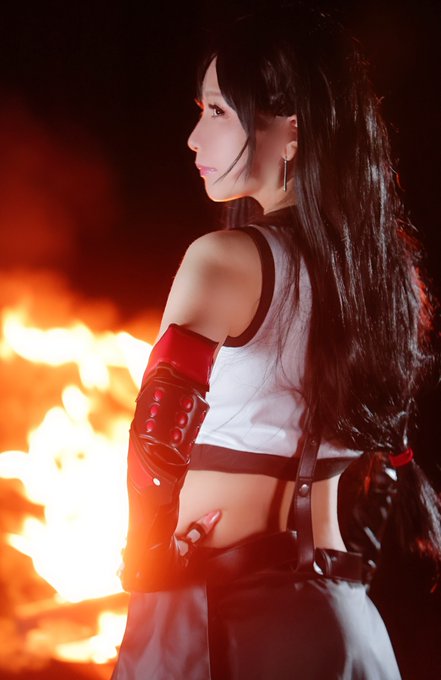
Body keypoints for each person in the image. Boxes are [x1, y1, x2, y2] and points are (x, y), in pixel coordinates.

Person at [111, 5, 441, 679]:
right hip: (348, 625)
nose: (193, 137)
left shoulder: (222, 259)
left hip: (219, 620)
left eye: (217, 111)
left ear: (291, 128)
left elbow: (155, 437)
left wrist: (147, 561)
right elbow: (393, 453)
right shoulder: (389, 280)